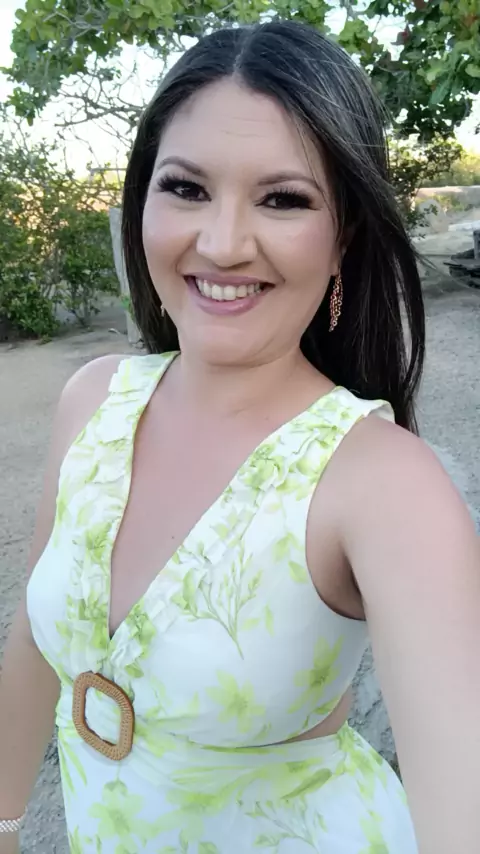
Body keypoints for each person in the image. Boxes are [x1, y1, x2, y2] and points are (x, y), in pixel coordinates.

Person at [0, 20, 479, 854]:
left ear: (345, 234)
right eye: (186, 188)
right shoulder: (94, 401)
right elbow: (36, 642)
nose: (221, 244)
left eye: (283, 199)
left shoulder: (382, 484)